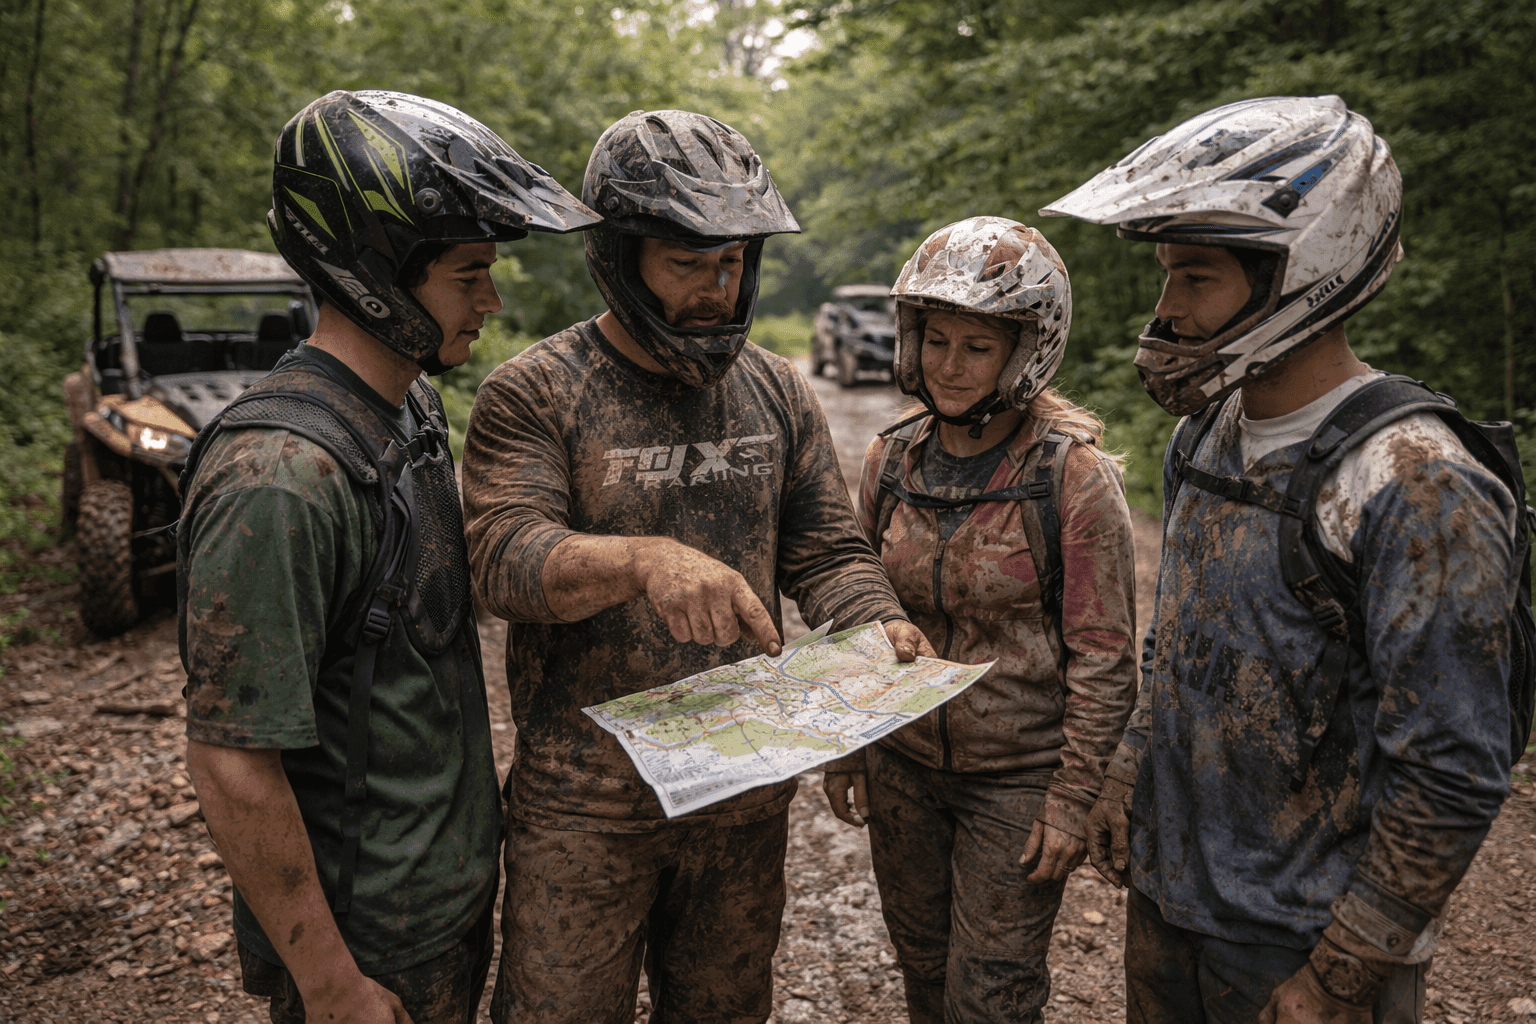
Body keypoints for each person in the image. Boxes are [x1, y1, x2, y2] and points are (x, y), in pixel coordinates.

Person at [1042, 95, 1519, 1024]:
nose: (1167, 310)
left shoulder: (1414, 483)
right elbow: (1181, 637)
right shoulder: (1209, 434)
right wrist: (1126, 766)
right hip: (1175, 901)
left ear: (1307, 274)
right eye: (1168, 276)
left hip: (1305, 940)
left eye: (1198, 278)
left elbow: (1453, 766)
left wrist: (1342, 974)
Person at [460, 108, 933, 1024]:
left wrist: (875, 619)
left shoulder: (777, 388)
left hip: (744, 792)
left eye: (734, 262)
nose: (718, 288)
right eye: (688, 264)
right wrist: (643, 562)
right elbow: (502, 558)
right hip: (584, 801)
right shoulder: (537, 390)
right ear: (620, 254)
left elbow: (826, 548)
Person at [178, 90, 600, 1024]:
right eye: (467, 275)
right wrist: (331, 986)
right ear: (373, 275)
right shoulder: (280, 479)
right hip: (366, 942)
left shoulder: (404, 407)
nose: (491, 299)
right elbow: (233, 761)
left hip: (437, 906)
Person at [819, 216, 1138, 1024]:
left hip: (1019, 777)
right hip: (903, 766)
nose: (949, 366)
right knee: (922, 970)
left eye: (976, 348)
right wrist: (848, 748)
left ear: (1025, 354)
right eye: (937, 341)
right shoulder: (889, 460)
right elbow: (860, 611)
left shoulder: (1073, 477)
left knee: (992, 990)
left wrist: (1073, 800)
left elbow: (1104, 653)